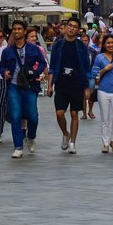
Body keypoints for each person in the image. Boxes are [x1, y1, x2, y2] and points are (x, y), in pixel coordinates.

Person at [0, 20, 47, 158]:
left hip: (30, 85)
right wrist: (4, 73)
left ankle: (31, 137)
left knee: (33, 117)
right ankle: (18, 147)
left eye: (19, 29)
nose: (16, 31)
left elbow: (43, 63)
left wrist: (35, 73)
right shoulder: (7, 51)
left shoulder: (33, 49)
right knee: (15, 116)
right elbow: (2, 66)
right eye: (14, 29)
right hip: (13, 86)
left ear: (24, 31)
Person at [46, 16, 92, 153]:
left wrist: (88, 87)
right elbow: (53, 66)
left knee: (74, 113)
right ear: (66, 27)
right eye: (70, 25)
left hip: (77, 83)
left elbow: (86, 67)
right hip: (61, 83)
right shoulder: (58, 45)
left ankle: (73, 142)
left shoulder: (81, 47)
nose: (71, 28)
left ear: (78, 30)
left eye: (75, 27)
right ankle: (65, 134)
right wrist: (49, 85)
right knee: (60, 113)